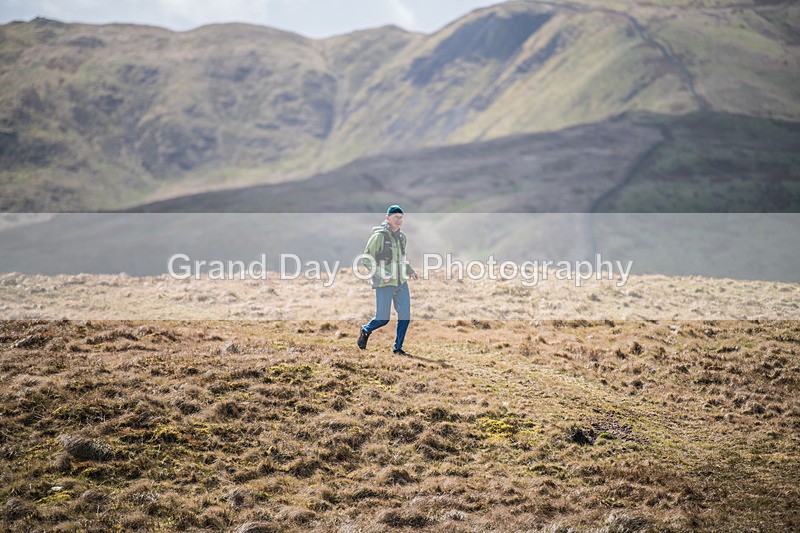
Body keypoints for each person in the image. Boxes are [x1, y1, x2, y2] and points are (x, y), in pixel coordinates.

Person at [357, 205, 419, 355]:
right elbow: (366, 259)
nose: (399, 220)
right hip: (384, 283)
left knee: (405, 317)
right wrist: (381, 273)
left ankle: (398, 349)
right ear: (387, 218)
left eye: (400, 217)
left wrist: (410, 271)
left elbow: (401, 258)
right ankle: (365, 330)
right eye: (395, 217)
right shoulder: (379, 237)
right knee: (382, 319)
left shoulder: (402, 237)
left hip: (401, 282)